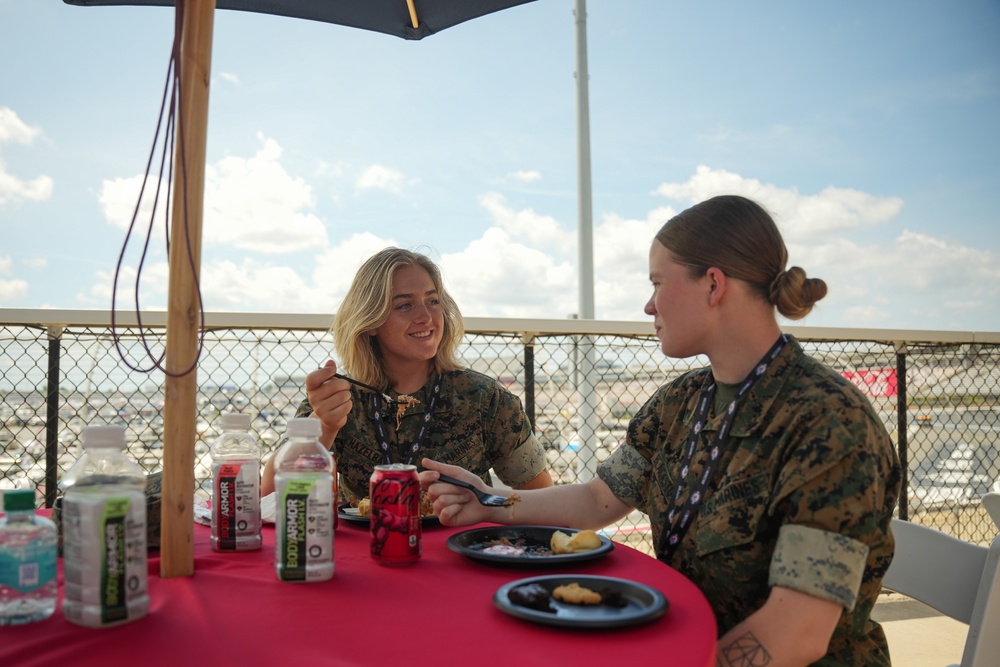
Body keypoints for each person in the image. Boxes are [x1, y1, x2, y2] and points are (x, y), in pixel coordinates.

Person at [423, 195, 901, 667]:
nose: (649, 305)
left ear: (713, 284)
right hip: (682, 645)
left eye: (657, 282)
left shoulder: (829, 423)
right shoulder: (682, 401)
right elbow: (596, 500)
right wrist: (487, 500)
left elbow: (796, 634)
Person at [261, 247, 552, 500]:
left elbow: (542, 499)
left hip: (459, 554)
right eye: (404, 305)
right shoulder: (337, 398)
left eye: (432, 301)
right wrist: (323, 426)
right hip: (364, 557)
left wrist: (486, 501)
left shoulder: (487, 400)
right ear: (371, 320)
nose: (425, 317)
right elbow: (269, 498)